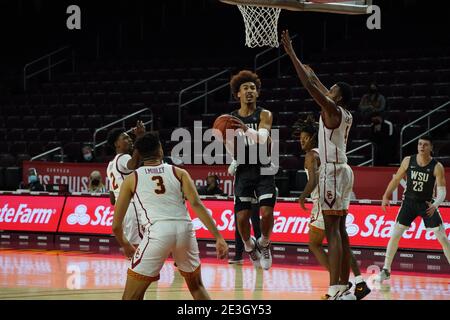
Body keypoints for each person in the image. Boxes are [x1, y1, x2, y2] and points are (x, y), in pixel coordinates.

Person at [282, 30, 355, 300]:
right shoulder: (343, 112)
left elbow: (311, 87)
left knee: (333, 231)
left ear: (338, 97)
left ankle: (336, 286)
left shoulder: (332, 110)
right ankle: (345, 286)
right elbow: (318, 84)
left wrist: (291, 56)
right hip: (344, 170)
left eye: (333, 89)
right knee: (341, 231)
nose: (329, 89)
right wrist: (306, 68)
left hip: (333, 171)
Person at [112, 132, 228, 300]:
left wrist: (126, 244)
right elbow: (196, 204)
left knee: (130, 297)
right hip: (185, 230)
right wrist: (218, 237)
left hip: (158, 232)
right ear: (160, 150)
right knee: (197, 288)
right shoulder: (179, 172)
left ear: (140, 154)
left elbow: (116, 225)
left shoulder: (131, 179)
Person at [294, 115, 371, 300]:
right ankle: (358, 281)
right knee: (341, 238)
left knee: (314, 242)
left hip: (323, 202)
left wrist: (302, 196)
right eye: (300, 138)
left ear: (313, 137)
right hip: (339, 187)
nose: (302, 141)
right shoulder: (325, 151)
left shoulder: (311, 155)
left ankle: (338, 283)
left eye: (305, 138)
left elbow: (312, 181)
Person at [224, 70, 277, 270]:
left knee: (266, 212)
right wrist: (234, 159)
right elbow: (231, 145)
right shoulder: (229, 118)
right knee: (242, 217)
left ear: (257, 93)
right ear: (237, 94)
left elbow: (263, 138)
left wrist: (246, 130)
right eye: (245, 88)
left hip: (263, 166)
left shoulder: (265, 114)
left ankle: (264, 243)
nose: (249, 91)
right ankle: (248, 246)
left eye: (253, 88)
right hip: (244, 170)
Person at [377, 136, 449, 282]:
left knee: (442, 237)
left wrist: (435, 205)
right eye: (419, 144)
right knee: (396, 233)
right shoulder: (408, 160)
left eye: (425, 145)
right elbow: (396, 179)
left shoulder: (437, 166)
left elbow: (442, 192)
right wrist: (386, 195)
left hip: (427, 204)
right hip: (409, 203)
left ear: (431, 148)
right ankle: (386, 269)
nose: (421, 146)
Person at [107, 121, 145, 247]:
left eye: (130, 137)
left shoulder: (110, 165)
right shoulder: (123, 157)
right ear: (116, 144)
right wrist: (140, 138)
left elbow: (112, 199)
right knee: (138, 246)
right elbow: (133, 164)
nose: (129, 139)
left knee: (132, 247)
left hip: (121, 210)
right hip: (131, 206)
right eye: (125, 138)